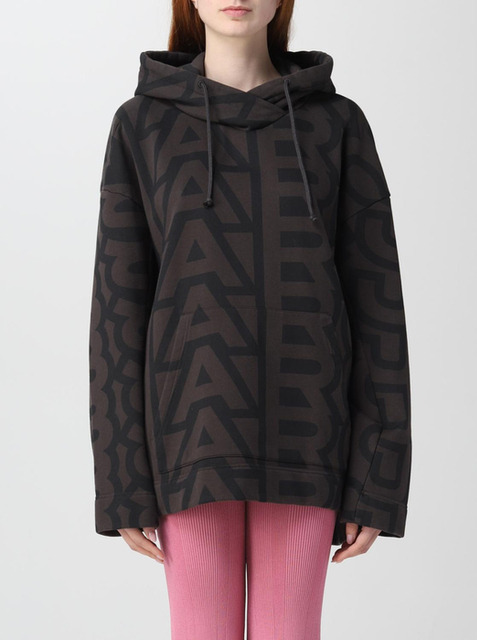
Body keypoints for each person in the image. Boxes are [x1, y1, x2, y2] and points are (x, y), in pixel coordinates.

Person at [88, 0, 412, 637]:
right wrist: (122, 481)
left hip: (308, 438)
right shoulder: (141, 125)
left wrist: (377, 477)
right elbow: (116, 312)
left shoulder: (337, 124)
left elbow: (377, 307)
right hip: (188, 439)